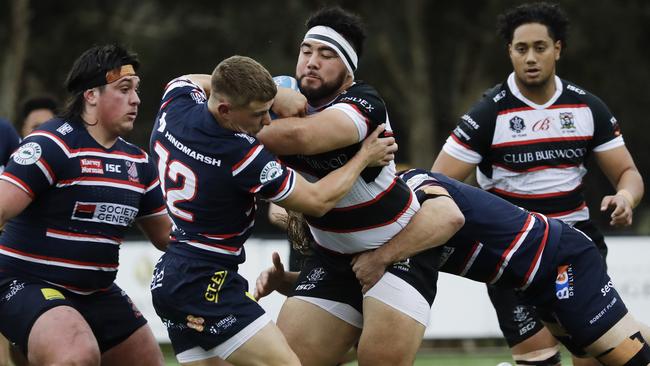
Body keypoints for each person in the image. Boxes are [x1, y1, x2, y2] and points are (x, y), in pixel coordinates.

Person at [430, 3, 644, 365]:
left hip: (575, 246)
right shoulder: (488, 115)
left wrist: (625, 197)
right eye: (521, 48)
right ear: (509, 52)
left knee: (596, 356)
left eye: (540, 48)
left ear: (557, 49)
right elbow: (438, 184)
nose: (530, 58)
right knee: (540, 359)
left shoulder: (587, 108)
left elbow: (628, 173)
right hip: (513, 251)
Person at [258, 168, 650, 366]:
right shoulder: (370, 227)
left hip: (560, 260)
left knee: (630, 358)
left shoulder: (411, 187)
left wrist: (379, 258)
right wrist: (290, 282)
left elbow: (447, 220)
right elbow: (349, 277)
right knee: (600, 355)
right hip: (528, 284)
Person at [148, 55, 396, 366]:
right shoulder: (241, 155)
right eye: (258, 114)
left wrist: (275, 95)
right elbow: (318, 199)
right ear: (225, 110)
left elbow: (190, 77)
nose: (267, 122)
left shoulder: (176, 103)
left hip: (171, 275)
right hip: (205, 280)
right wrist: (363, 157)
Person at [255, 7, 436, 366]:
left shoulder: (364, 103)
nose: (312, 62)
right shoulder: (277, 100)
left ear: (349, 69)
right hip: (332, 259)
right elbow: (205, 90)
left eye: (327, 54)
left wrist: (241, 123)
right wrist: (268, 95)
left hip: (397, 251)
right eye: (307, 51)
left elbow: (304, 137)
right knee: (283, 360)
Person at [0, 44, 171, 366]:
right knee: (76, 355)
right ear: (91, 95)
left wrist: (217, 234)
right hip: (27, 284)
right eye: (124, 89)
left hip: (96, 292)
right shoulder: (51, 144)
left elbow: (168, 238)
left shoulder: (137, 162)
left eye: (136, 89)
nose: (136, 99)